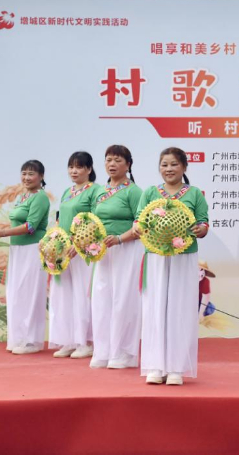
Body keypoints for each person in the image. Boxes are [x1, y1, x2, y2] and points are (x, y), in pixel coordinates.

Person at [135, 147, 209, 385]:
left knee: (180, 307)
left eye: (174, 164)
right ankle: (155, 366)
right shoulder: (150, 192)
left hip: (184, 256)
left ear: (184, 167)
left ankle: (176, 367)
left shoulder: (194, 193)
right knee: (155, 308)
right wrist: (138, 227)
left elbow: (204, 224)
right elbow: (139, 221)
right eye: (164, 164)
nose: (169, 169)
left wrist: (201, 229)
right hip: (155, 256)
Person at [0, 160, 50, 355]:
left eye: (31, 174)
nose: (26, 177)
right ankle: (18, 338)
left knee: (30, 294)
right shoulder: (23, 197)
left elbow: (31, 226)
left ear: (41, 177)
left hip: (32, 250)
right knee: (16, 294)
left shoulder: (40, 197)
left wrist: (1, 233)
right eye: (24, 173)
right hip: (17, 250)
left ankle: (31, 341)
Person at [89, 145, 144, 370]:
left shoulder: (134, 191)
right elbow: (91, 220)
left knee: (124, 300)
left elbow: (141, 226)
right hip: (103, 252)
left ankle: (124, 353)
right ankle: (103, 351)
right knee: (101, 300)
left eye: (118, 160)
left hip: (126, 249)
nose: (112, 164)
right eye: (108, 160)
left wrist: (120, 239)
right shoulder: (99, 192)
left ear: (128, 165)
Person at [49, 152, 99, 359]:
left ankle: (86, 342)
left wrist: (78, 244)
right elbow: (60, 220)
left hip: (82, 251)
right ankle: (69, 340)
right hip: (63, 250)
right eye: (71, 167)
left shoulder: (95, 190)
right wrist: (52, 241)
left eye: (79, 167)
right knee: (64, 296)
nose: (74, 171)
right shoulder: (67, 192)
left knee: (82, 295)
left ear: (89, 169)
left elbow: (95, 221)